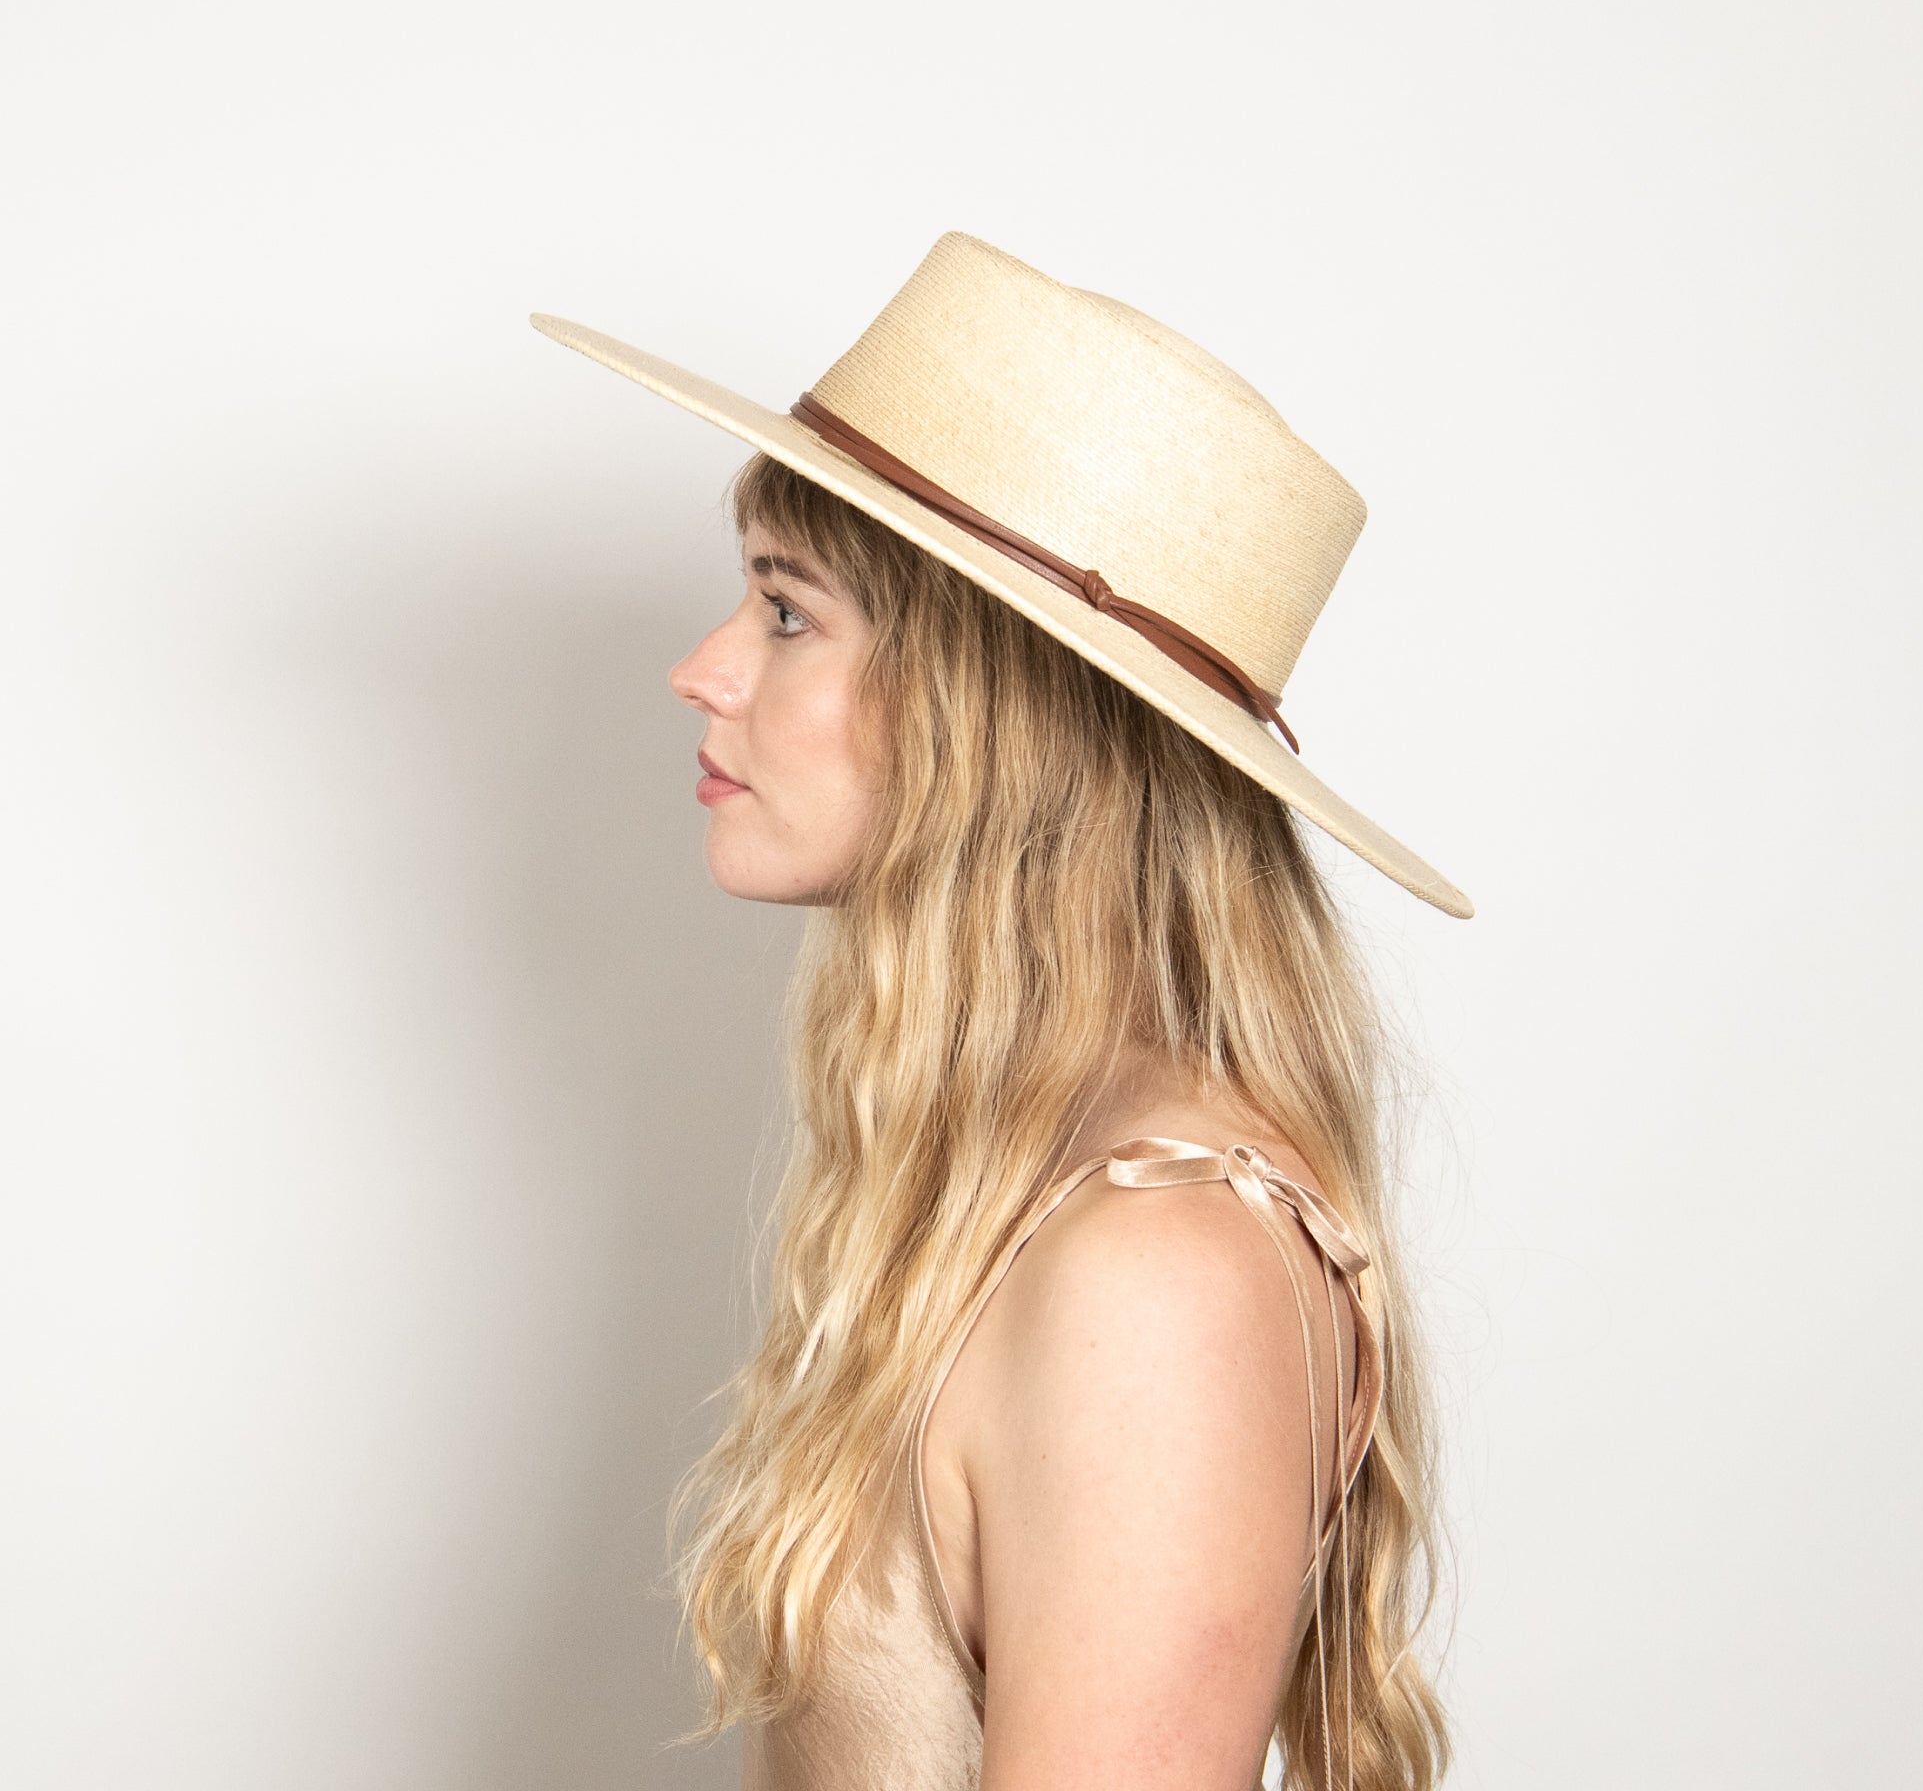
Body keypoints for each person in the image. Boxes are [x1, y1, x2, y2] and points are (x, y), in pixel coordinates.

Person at [531, 233, 1472, 1791]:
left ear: (991, 710)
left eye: (786, 611)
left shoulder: (1157, 1275)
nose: (702, 670)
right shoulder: (1013, 1183)